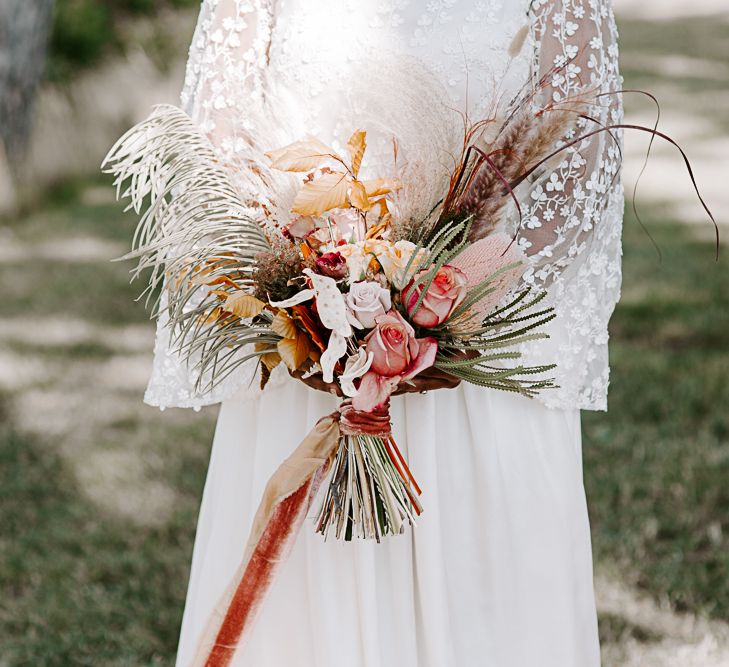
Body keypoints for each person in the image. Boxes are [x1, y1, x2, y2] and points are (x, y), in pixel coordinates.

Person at [146, 1, 623, 665]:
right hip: (307, 362)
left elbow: (580, 172)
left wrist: (449, 294)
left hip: (479, 369)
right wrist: (308, 285)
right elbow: (216, 146)